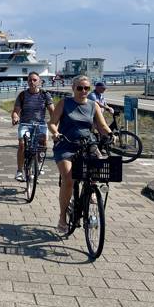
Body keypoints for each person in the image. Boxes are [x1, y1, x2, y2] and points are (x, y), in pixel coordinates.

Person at [48, 75, 113, 234]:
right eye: (80, 88)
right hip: (66, 144)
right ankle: (63, 218)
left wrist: (111, 135)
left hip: (87, 143)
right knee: (69, 179)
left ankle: (88, 191)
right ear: (73, 88)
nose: (83, 91)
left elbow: (102, 126)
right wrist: (56, 133)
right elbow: (51, 123)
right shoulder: (64, 103)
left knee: (99, 165)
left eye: (86, 88)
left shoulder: (93, 105)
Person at [11, 72, 55, 181]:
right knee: (22, 144)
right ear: (27, 81)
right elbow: (16, 111)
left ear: (39, 81)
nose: (32, 82)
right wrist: (15, 117)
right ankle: (20, 171)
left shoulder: (45, 95)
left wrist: (54, 122)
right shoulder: (22, 95)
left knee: (44, 142)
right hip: (25, 124)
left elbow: (53, 111)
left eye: (35, 80)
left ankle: (39, 164)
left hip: (40, 124)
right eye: (30, 80)